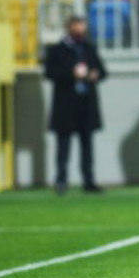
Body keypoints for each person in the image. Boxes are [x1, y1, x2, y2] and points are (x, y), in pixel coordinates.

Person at [45, 15, 107, 195]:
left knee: (87, 145)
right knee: (63, 145)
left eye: (82, 27)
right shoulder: (57, 50)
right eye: (77, 27)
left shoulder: (88, 48)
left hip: (85, 104)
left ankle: (89, 181)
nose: (80, 31)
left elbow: (102, 71)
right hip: (66, 104)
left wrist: (94, 75)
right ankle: (61, 181)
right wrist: (72, 73)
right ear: (69, 28)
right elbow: (50, 72)